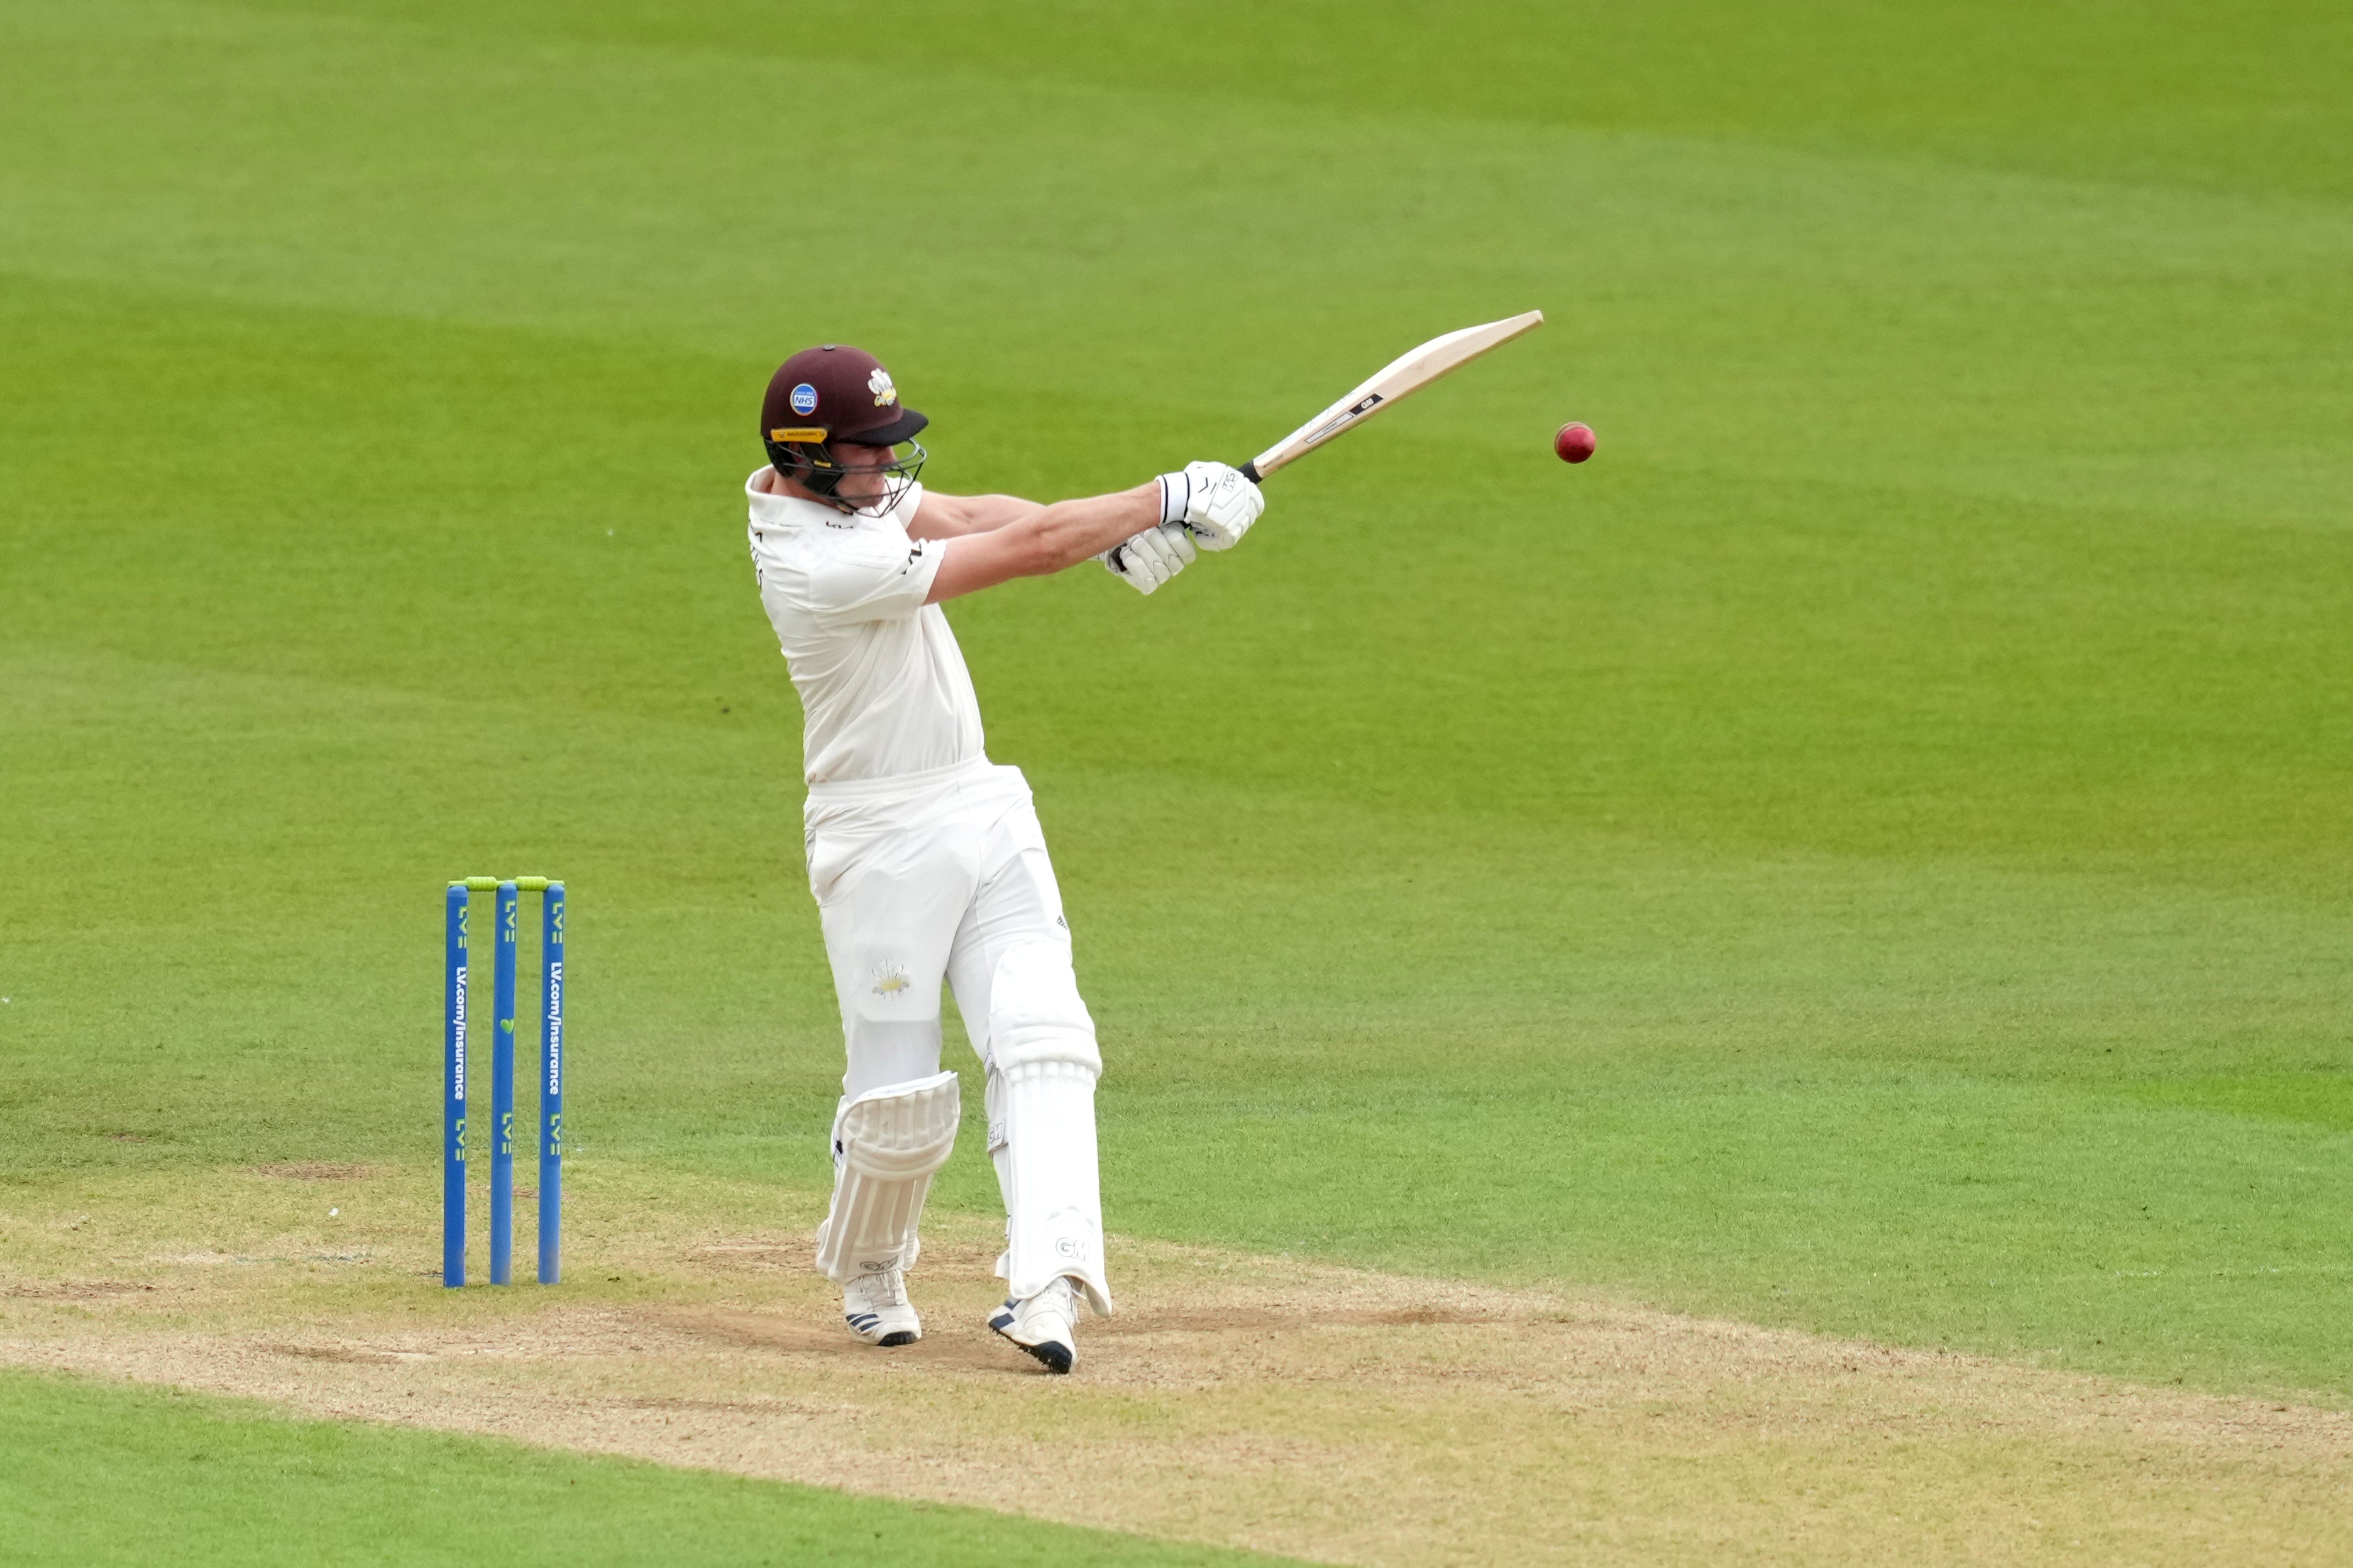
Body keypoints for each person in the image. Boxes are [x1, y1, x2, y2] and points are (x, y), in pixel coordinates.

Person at [743, 343, 1264, 1373]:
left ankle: (1049, 1285)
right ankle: (870, 1266)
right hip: (877, 835)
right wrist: (1165, 493)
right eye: (867, 455)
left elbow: (986, 516)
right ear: (802, 460)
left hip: (979, 801)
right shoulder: (821, 559)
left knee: (1045, 1036)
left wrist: (1126, 534)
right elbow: (1025, 553)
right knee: (899, 1102)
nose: (888, 472)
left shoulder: (854, 502)